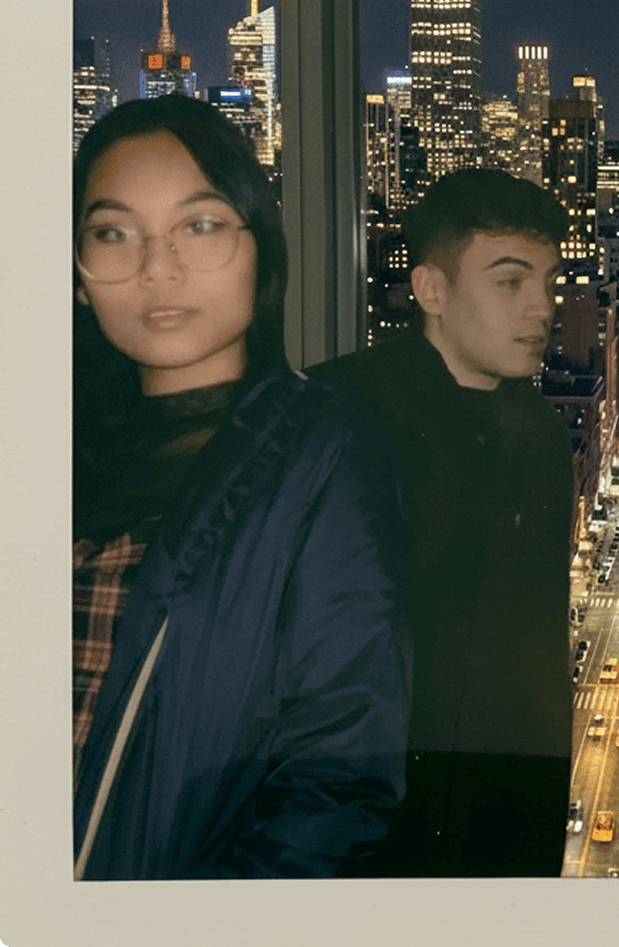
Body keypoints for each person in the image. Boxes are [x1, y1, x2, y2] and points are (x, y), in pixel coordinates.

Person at [72, 95, 412, 879]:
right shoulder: (46, 438)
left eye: (199, 225)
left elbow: (336, 779)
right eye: (114, 233)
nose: (158, 268)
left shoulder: (323, 449)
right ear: (80, 277)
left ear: (262, 249)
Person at [309, 168, 575, 877]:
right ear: (431, 291)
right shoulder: (338, 419)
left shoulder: (541, 437)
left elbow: (538, 668)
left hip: (499, 834)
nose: (542, 307)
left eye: (549, 282)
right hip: (359, 837)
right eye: (510, 281)